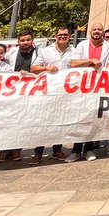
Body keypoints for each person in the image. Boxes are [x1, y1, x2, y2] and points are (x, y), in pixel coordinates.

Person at [66, 23, 109, 161]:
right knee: (80, 118)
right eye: (94, 29)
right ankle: (76, 150)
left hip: (98, 87)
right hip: (82, 87)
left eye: (99, 29)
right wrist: (90, 61)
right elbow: (73, 63)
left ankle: (88, 149)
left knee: (93, 118)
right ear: (90, 31)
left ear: (102, 32)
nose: (96, 31)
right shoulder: (81, 46)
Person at [29, 27, 76, 162]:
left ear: (69, 36)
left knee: (60, 121)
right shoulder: (46, 51)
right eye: (60, 35)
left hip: (65, 92)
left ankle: (57, 150)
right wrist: (46, 68)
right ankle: (38, 152)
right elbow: (33, 68)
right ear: (56, 36)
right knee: (44, 121)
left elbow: (78, 65)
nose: (62, 37)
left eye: (65, 35)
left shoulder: (74, 51)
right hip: (48, 91)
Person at [0, 30, 40, 162]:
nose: (25, 42)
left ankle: (17, 149)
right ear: (18, 42)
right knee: (8, 120)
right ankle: (4, 150)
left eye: (28, 40)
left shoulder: (39, 53)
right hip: (12, 90)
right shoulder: (10, 54)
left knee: (23, 121)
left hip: (30, 91)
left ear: (32, 40)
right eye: (22, 40)